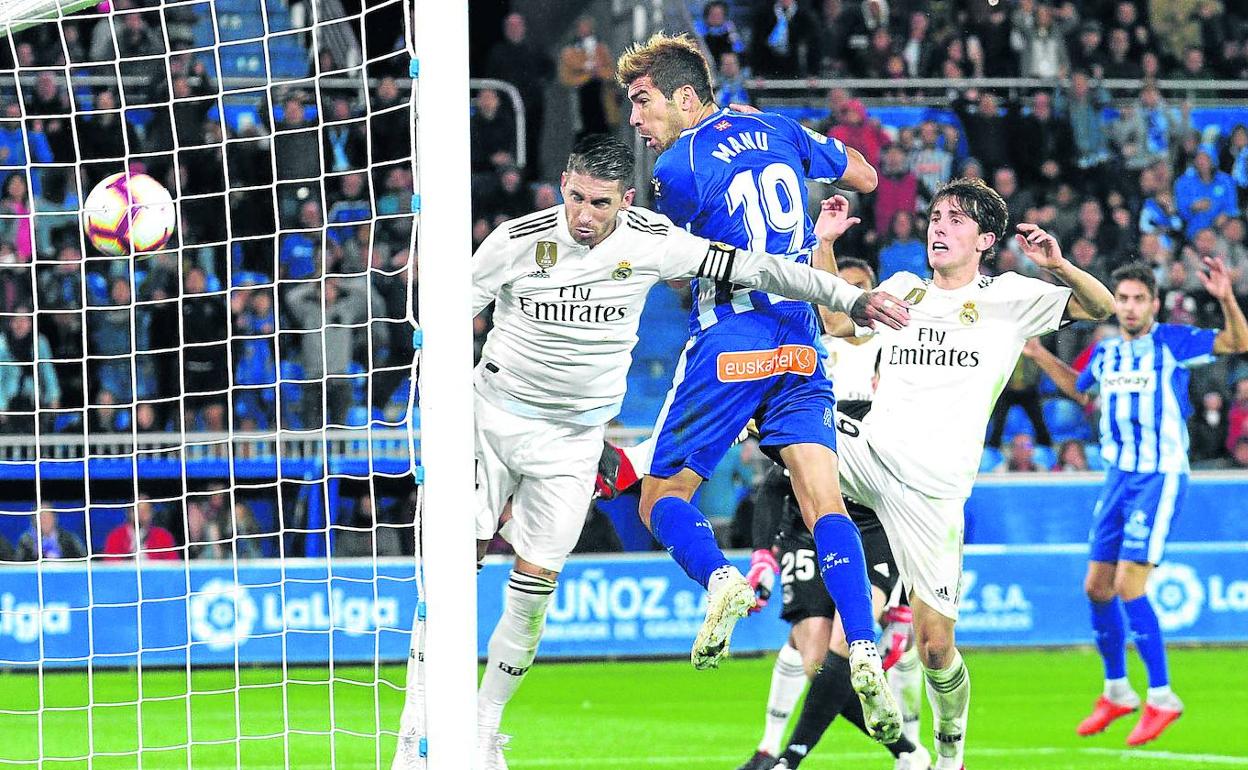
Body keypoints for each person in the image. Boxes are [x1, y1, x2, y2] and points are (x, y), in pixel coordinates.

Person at [472, 135, 904, 769]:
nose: (583, 214)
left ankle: (486, 729)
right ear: (561, 184)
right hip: (502, 414)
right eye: (575, 198)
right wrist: (843, 288)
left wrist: (847, 292)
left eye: (598, 202)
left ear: (624, 199)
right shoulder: (515, 241)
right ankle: (863, 648)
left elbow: (756, 265)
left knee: (600, 543)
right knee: (451, 573)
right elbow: (442, 315)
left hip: (638, 402)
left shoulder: (665, 208)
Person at [617, 32, 906, 742]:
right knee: (823, 502)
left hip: (732, 342)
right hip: (802, 341)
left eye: (642, 100)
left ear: (686, 97)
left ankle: (719, 579)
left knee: (661, 498)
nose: (635, 119)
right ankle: (864, 643)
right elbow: (866, 176)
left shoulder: (676, 166)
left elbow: (687, 269)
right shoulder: (776, 127)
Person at [820, 177, 1115, 769]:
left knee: (935, 649)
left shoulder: (1010, 296)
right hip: (872, 455)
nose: (938, 226)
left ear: (984, 239)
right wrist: (824, 243)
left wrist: (1058, 265)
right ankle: (859, 646)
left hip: (935, 493)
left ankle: (949, 745)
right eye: (935, 216)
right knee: (780, 410)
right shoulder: (902, 288)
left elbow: (1101, 307)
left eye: (955, 219)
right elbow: (837, 325)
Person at [1022, 260, 1248, 747]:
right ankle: (1117, 690)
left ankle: (1163, 696)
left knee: (1129, 585)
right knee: (1097, 587)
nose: (1128, 307)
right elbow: (1079, 391)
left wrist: (1227, 298)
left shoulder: (1171, 341)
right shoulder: (1104, 355)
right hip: (1117, 477)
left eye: (1137, 299)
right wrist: (1038, 353)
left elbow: (1237, 343)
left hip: (1159, 475)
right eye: (1121, 299)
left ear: (1154, 303)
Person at [736, 257, 929, 770]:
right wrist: (764, 558)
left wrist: (906, 596)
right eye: (844, 292)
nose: (854, 302)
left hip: (875, 523)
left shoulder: (898, 360)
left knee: (854, 649)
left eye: (863, 291)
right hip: (811, 523)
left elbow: (917, 490)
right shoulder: (811, 361)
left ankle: (786, 758)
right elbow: (776, 481)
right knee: (817, 659)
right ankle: (908, 753)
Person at [15, 509, 87, 561]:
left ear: (55, 519)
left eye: (48, 517)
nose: (44, 521)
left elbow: (83, 558)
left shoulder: (69, 538)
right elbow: (18, 562)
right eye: (41, 518)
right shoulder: (26, 541)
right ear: (34, 521)